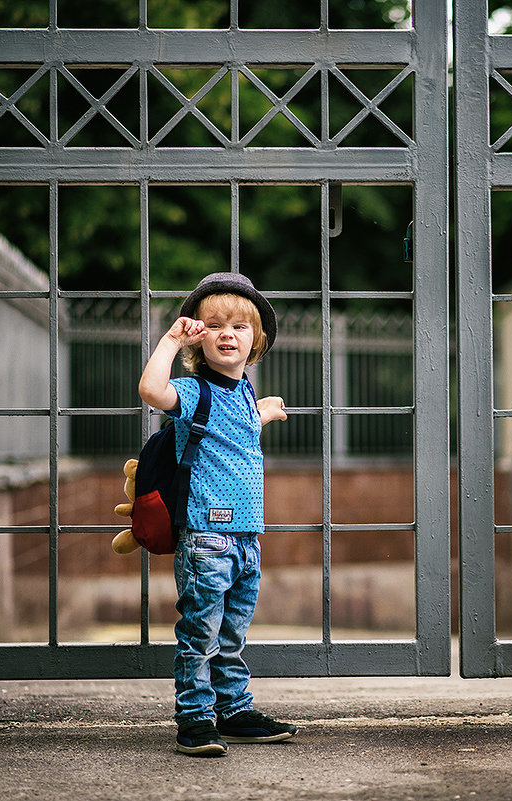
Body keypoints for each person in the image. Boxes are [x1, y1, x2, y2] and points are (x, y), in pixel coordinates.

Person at [138, 271, 297, 757]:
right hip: (207, 535)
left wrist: (265, 413)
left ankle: (233, 710)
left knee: (232, 634)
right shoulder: (192, 392)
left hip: (248, 540)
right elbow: (150, 390)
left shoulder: (244, 393)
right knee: (200, 633)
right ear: (197, 337)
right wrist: (168, 340)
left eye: (240, 327)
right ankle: (195, 718)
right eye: (214, 324)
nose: (228, 333)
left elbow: (236, 433)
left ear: (256, 342)